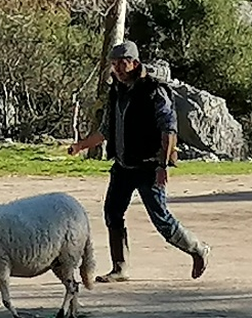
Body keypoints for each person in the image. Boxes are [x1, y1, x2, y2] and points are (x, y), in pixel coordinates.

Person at [68, 40, 209, 282]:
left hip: (149, 166)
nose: (117, 69)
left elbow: (169, 131)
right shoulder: (116, 91)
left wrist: (163, 166)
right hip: (123, 167)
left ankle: (197, 249)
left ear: (134, 63)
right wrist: (80, 146)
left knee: (161, 219)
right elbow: (106, 131)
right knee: (112, 213)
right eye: (114, 64)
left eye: (121, 64)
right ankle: (120, 268)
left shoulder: (155, 91)